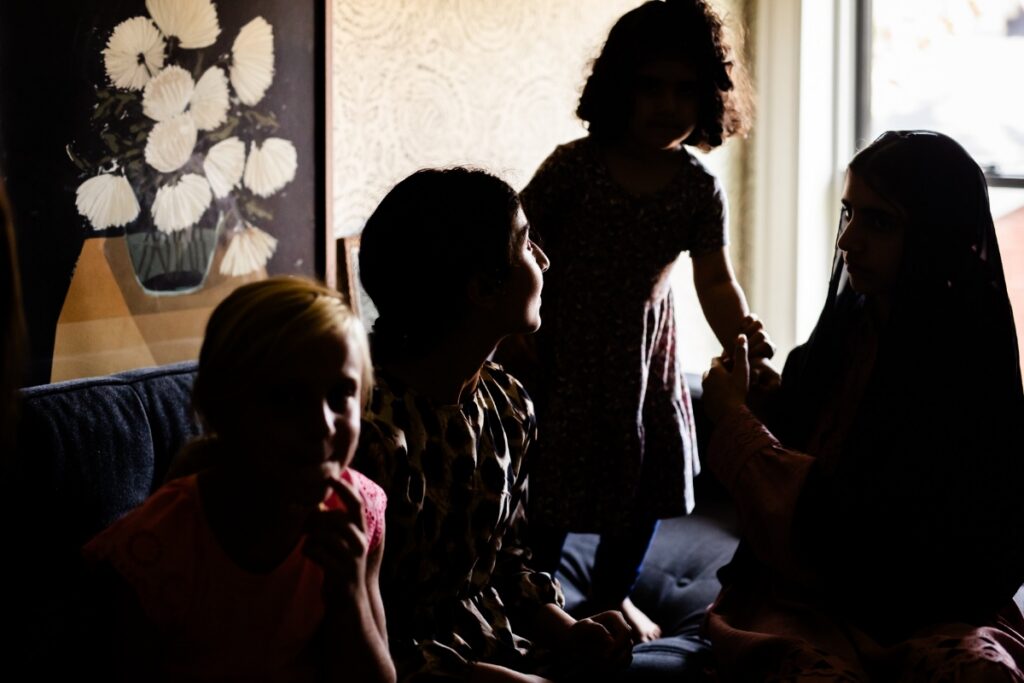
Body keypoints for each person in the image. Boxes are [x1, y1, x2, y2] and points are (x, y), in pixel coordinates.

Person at [701, 130, 1024, 680]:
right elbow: (820, 472)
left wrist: (735, 423)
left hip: (936, 608)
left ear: (936, 233)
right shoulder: (843, 334)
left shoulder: (967, 361)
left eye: (879, 222)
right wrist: (752, 397)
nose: (848, 240)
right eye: (849, 213)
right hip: (803, 601)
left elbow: (866, 525)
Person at [507, 0, 771, 641]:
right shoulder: (573, 168)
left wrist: (741, 332)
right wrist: (512, 333)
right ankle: (533, 601)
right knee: (549, 494)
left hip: (644, 364)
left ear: (709, 98)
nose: (667, 105)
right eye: (651, 87)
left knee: (644, 491)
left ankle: (610, 597)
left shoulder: (696, 188)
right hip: (564, 360)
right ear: (618, 88)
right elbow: (515, 250)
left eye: (685, 90)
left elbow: (714, 278)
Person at [354, 167, 634, 682]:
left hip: (504, 650)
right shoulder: (365, 429)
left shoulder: (508, 404)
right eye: (527, 244)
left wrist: (569, 631)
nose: (544, 260)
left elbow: (504, 562)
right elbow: (348, 623)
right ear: (482, 288)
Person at [84, 277, 395, 683]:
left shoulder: (358, 517)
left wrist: (350, 594)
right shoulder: (150, 552)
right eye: (286, 399)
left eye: (340, 396)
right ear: (221, 409)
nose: (321, 424)